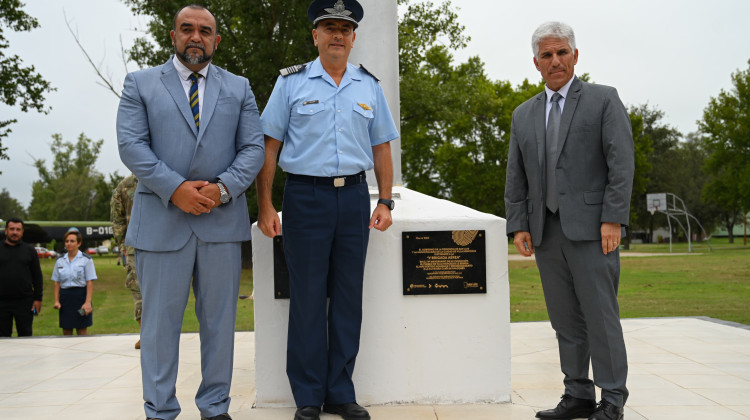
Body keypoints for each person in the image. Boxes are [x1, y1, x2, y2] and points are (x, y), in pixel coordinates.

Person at [116, 4, 265, 420]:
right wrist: (176, 189)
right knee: (160, 328)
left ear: (216, 40)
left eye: (205, 31)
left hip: (221, 224)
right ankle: (160, 410)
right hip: (161, 223)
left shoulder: (239, 88)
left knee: (219, 327)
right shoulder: (140, 84)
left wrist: (221, 190)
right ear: (173, 36)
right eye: (187, 29)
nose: (196, 37)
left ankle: (215, 407)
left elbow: (253, 148)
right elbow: (132, 146)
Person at [257, 1, 398, 419]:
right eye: (328, 27)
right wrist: (266, 205)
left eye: (344, 28)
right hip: (305, 198)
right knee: (307, 299)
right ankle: (307, 396)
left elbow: (381, 145)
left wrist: (385, 199)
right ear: (315, 36)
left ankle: (340, 391)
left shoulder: (368, 86)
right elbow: (270, 146)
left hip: (354, 198)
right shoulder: (291, 84)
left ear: (354, 38)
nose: (337, 34)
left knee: (348, 298)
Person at [504, 22, 634, 420]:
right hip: (546, 232)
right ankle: (577, 394)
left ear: (575, 56)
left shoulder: (603, 100)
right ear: (536, 63)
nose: (555, 60)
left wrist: (613, 219)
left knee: (600, 317)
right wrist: (518, 224)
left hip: (595, 231)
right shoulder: (523, 114)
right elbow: (516, 175)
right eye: (547, 55)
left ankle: (612, 399)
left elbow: (621, 163)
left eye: (562, 52)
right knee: (564, 320)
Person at [111, 173, 142, 349]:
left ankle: (158, 335)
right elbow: (118, 219)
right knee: (139, 292)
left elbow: (117, 220)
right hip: (135, 247)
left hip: (161, 246)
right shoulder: (124, 186)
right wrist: (124, 245)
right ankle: (145, 334)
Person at [0, 218, 43, 337]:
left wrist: (38, 299)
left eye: (18, 229)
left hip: (24, 302)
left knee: (26, 337)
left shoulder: (30, 250)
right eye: (12, 229)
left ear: (22, 232)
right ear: (6, 231)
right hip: (1, 302)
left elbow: (37, 276)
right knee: (2, 339)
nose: (15, 232)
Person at [52, 228, 96, 336]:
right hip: (65, 299)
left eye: (72, 241)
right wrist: (56, 301)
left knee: (81, 330)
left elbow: (89, 282)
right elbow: (57, 282)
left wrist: (87, 302)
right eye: (67, 241)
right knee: (66, 330)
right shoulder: (60, 261)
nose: (68, 243)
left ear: (79, 243)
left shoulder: (86, 260)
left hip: (80, 298)